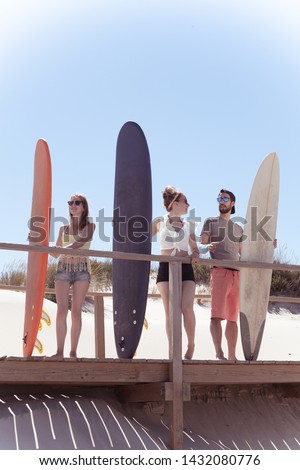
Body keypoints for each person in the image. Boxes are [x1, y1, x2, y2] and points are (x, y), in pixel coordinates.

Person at [152, 185, 211, 360]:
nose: (188, 204)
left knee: (186, 307)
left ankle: (191, 344)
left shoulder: (189, 225)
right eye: (185, 201)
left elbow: (194, 248)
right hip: (165, 267)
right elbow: (140, 235)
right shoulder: (159, 222)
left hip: (185, 268)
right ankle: (173, 349)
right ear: (175, 203)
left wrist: (194, 254)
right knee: (170, 311)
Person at [51, 193, 95, 358]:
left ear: (84, 207)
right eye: (70, 202)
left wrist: (62, 249)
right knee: (61, 310)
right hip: (63, 268)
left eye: (77, 202)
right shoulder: (63, 229)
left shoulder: (90, 226)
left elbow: (81, 242)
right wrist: (41, 247)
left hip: (82, 270)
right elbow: (56, 253)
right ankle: (59, 351)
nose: (73, 205)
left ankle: (73, 352)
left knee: (76, 311)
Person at [200, 189, 243, 361]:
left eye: (225, 199)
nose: (221, 201)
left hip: (237, 275)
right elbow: (200, 245)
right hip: (219, 272)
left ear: (232, 203)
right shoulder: (210, 222)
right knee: (216, 315)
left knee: (233, 319)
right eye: (219, 198)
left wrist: (270, 246)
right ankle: (219, 354)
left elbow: (244, 252)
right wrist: (206, 247)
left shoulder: (239, 228)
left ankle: (232, 357)